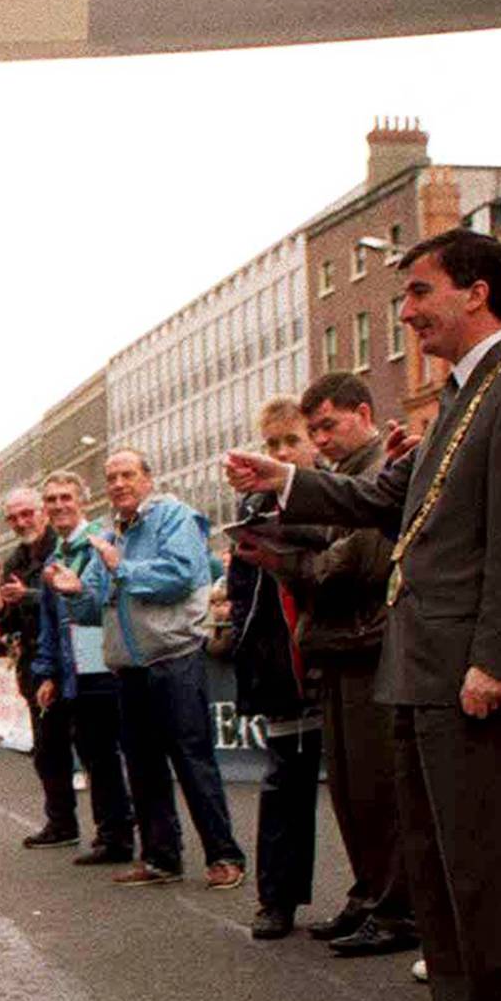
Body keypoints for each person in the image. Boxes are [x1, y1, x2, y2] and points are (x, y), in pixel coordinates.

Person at [230, 230, 501, 1001]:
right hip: (419, 665)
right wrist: (283, 478)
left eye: (420, 293)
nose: (409, 312)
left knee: (494, 866)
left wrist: (498, 659)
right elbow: (387, 500)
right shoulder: (461, 397)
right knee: (437, 866)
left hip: (472, 672)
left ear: (478, 295)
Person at [47, 449, 244, 891]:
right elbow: (98, 602)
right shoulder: (109, 532)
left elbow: (179, 575)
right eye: (111, 477)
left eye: (127, 475)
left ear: (147, 479)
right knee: (142, 765)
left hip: (173, 657)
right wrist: (75, 591)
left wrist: (123, 567)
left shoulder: (174, 517)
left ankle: (224, 855)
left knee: (193, 761)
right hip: (128, 666)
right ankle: (160, 857)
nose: (118, 484)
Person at [287, 373, 413, 958]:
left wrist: (300, 566)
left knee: (375, 786)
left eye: (328, 425)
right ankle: (369, 897)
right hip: (343, 640)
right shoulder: (344, 476)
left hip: (368, 639)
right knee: (348, 786)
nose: (321, 439)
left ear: (363, 413)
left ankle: (393, 908)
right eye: (313, 430)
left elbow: (361, 558)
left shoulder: (375, 473)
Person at [223, 400, 324, 941]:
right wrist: (248, 649)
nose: (282, 453)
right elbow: (244, 595)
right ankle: (276, 899)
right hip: (281, 660)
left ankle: (376, 900)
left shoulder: (336, 493)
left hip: (336, 653)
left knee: (366, 790)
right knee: (284, 779)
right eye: (273, 445)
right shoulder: (253, 506)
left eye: (292, 441)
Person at [30, 471, 134, 867]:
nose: (58, 506)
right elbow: (49, 623)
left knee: (106, 752)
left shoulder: (99, 543)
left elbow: (103, 601)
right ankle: (111, 831)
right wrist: (48, 673)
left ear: (82, 503)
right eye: (52, 500)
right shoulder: (56, 557)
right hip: (75, 663)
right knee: (92, 751)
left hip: (103, 658)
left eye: (66, 498)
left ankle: (118, 835)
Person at [0, 488, 80, 845]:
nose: (21, 523)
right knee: (47, 747)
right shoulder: (14, 560)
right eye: (13, 518)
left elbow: (71, 598)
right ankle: (61, 823)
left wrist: (28, 596)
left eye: (27, 514)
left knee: (92, 746)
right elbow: (9, 621)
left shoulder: (64, 546)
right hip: (34, 659)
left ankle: (116, 830)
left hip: (72, 654)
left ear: (42, 511)